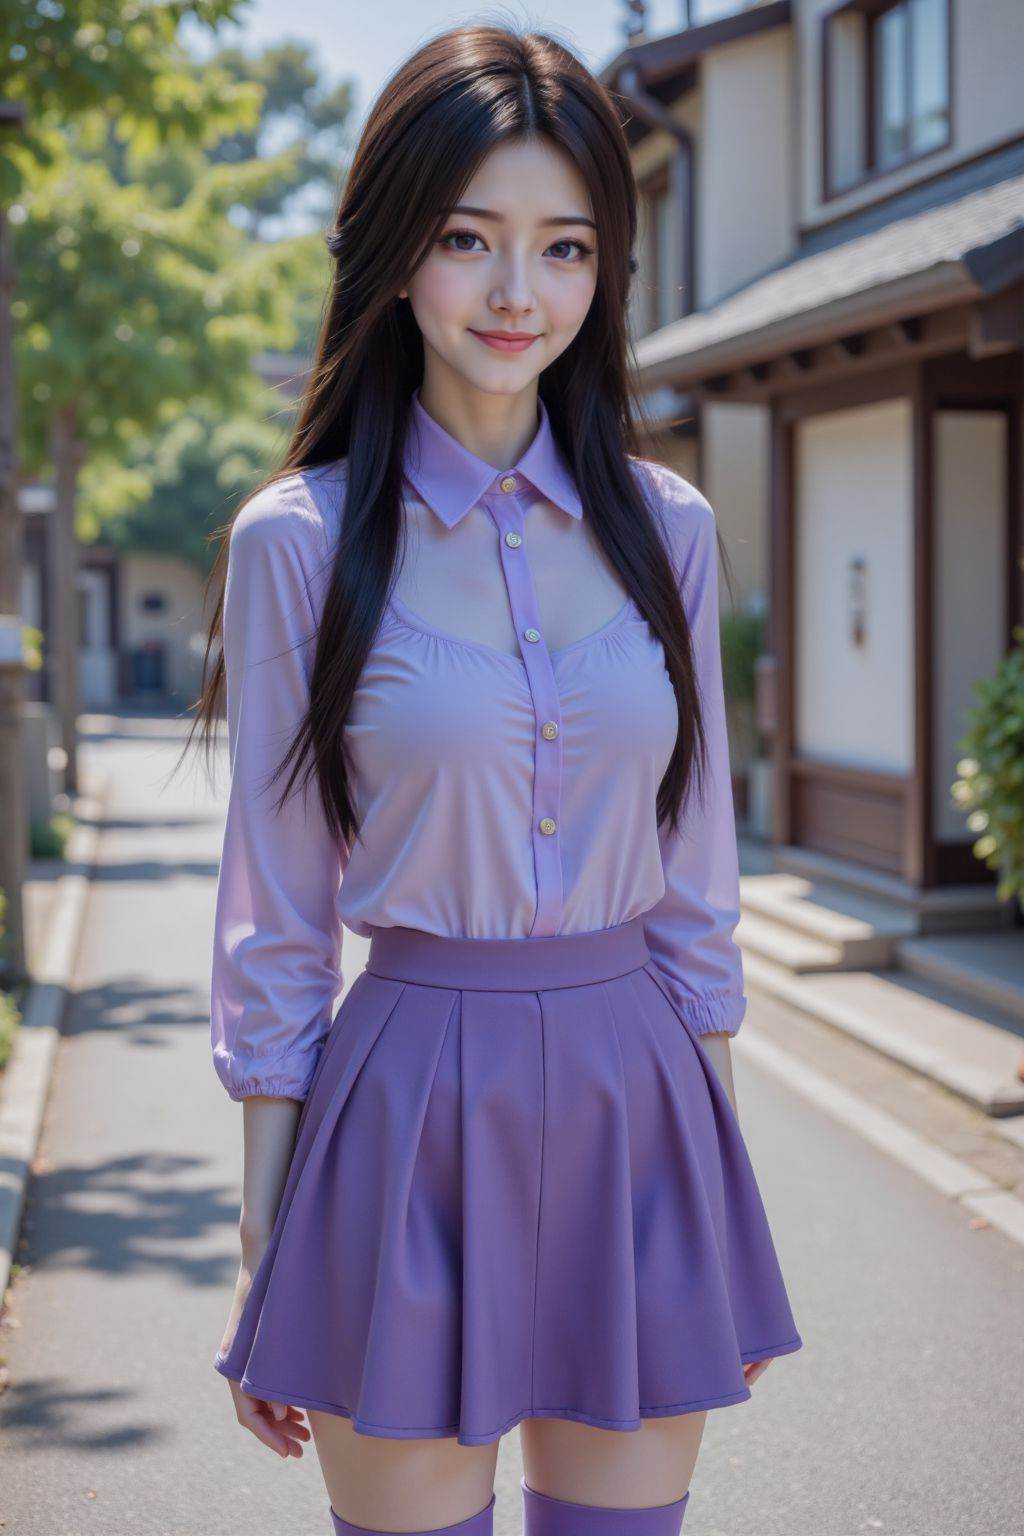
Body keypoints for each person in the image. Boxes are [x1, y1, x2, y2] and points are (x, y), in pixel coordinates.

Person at [187, 23, 803, 1536]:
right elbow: (279, 910)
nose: (518, 292)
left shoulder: (669, 532)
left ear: (607, 272)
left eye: (566, 246)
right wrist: (264, 1225)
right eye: (468, 239)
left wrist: (714, 1193)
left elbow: (697, 891)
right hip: (401, 1114)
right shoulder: (300, 543)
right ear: (396, 253)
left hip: (637, 1106)